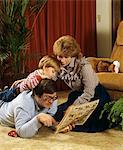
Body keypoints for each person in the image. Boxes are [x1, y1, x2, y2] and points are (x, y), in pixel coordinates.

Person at [53, 35, 111, 132]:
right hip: (79, 94)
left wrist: (74, 107)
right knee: (57, 113)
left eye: (65, 57)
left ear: (73, 55)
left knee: (87, 120)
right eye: (59, 56)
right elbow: (50, 77)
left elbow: (89, 93)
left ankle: (68, 126)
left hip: (95, 96)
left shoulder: (84, 67)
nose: (61, 60)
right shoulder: (60, 64)